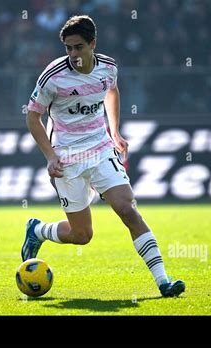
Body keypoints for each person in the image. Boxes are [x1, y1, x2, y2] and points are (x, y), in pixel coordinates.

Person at [22, 15, 185, 297]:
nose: (73, 54)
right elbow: (33, 117)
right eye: (68, 48)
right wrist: (50, 156)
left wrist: (116, 132)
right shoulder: (53, 76)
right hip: (67, 157)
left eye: (78, 47)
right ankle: (38, 230)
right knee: (82, 235)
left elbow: (112, 91)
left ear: (92, 44)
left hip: (100, 149)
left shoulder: (108, 68)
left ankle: (163, 282)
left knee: (128, 210)